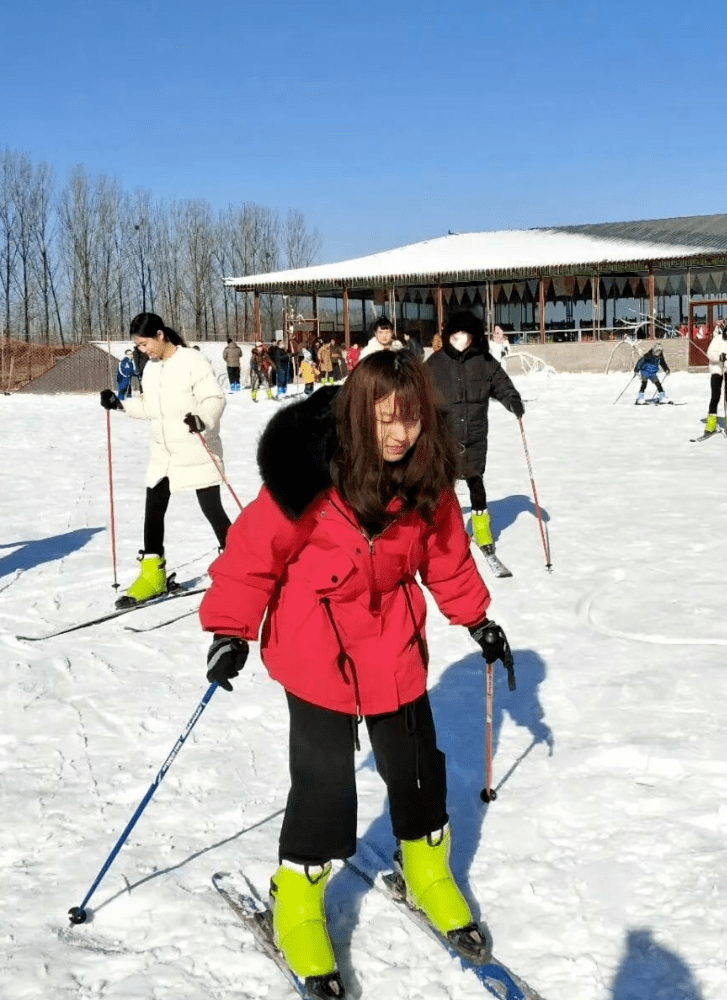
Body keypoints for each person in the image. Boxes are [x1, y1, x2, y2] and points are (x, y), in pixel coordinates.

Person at [200, 352, 511, 996]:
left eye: (413, 419)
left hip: (392, 642)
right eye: (386, 419)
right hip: (315, 647)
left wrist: (476, 618)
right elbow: (251, 556)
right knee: (325, 788)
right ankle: (298, 897)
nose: (400, 435)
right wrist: (230, 629)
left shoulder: (426, 482)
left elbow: (448, 557)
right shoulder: (305, 480)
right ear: (357, 414)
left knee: (418, 766)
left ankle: (426, 869)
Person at [99, 312, 231, 606]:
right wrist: (120, 404)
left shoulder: (192, 361)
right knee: (153, 511)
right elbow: (149, 406)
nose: (142, 350)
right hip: (163, 453)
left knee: (212, 509)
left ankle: (240, 566)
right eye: (138, 345)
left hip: (196, 448)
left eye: (144, 344)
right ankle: (152, 574)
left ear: (160, 335)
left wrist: (203, 419)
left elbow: (214, 398)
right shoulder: (151, 369)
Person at [426, 310, 524, 561]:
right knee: (443, 487)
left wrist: (512, 401)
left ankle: (482, 530)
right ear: (448, 335)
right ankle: (443, 532)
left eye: (465, 336)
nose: (459, 340)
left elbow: (501, 384)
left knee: (475, 480)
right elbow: (417, 391)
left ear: (473, 337)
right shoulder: (435, 363)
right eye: (455, 335)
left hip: (475, 434)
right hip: (444, 437)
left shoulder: (485, 361)